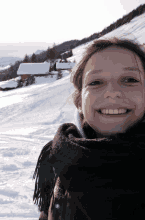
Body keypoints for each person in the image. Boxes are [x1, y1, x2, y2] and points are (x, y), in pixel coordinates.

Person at [33, 37, 145, 219]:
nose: (112, 92)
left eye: (130, 79)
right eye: (95, 82)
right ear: (79, 101)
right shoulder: (60, 157)